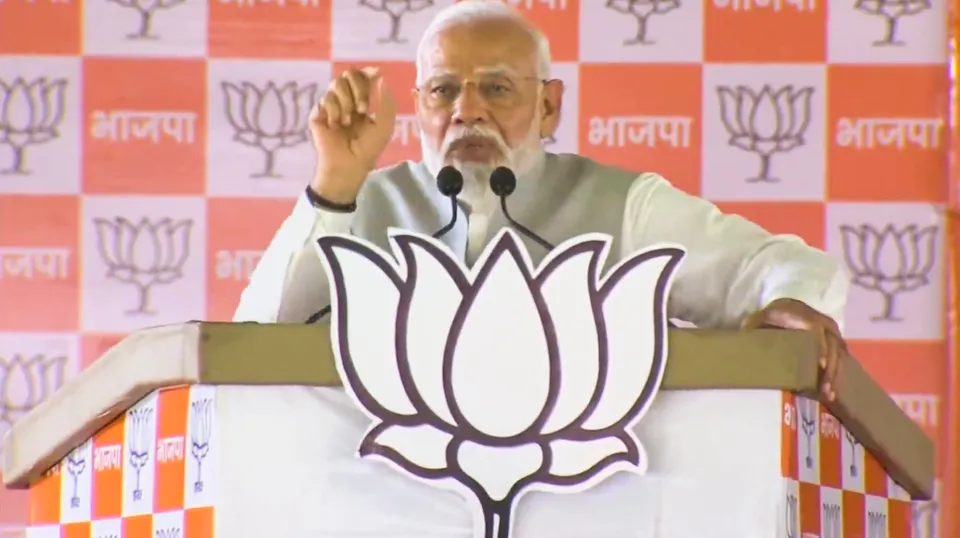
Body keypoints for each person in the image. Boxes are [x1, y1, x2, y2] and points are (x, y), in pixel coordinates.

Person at [234, 0, 849, 400]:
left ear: (549, 106)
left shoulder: (622, 206)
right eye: (443, 90)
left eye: (497, 88)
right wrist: (334, 183)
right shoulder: (357, 201)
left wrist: (792, 300)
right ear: (418, 106)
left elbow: (782, 268)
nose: (466, 110)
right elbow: (251, 345)